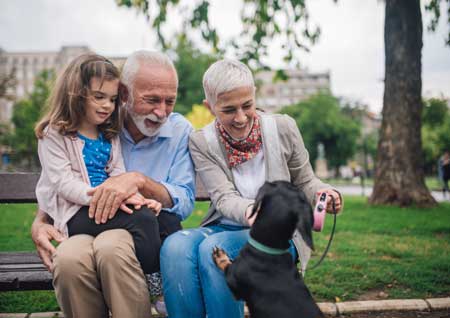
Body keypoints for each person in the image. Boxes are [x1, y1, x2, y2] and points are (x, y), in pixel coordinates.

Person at [160, 59, 343, 318]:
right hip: (227, 224)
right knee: (175, 246)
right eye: (228, 109)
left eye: (247, 105)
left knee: (212, 250)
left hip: (275, 236)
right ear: (209, 107)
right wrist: (254, 211)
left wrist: (326, 193)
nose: (241, 117)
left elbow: (306, 181)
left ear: (254, 94)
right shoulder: (202, 141)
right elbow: (224, 197)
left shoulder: (283, 127)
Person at [31, 50, 195, 318]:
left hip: (128, 221)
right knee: (70, 260)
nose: (162, 111)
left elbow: (183, 200)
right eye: (152, 100)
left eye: (170, 101)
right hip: (86, 214)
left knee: (113, 248)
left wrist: (138, 184)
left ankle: (151, 293)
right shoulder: (100, 120)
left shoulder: (174, 131)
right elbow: (57, 180)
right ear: (126, 95)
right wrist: (40, 221)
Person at [34, 53, 163, 277]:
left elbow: (117, 174)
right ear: (76, 94)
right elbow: (64, 183)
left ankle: (134, 276)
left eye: (112, 99)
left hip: (107, 205)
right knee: (143, 220)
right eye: (99, 96)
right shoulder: (54, 133)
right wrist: (104, 197)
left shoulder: (108, 134)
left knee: (151, 215)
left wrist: (136, 198)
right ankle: (151, 280)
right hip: (75, 212)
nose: (107, 106)